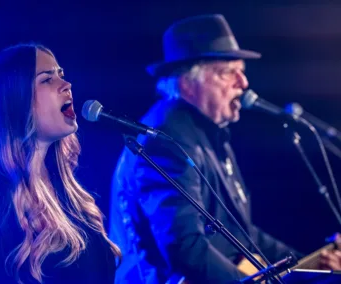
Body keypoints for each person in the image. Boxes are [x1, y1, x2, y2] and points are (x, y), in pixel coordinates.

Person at [109, 14, 341, 284]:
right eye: (228, 72)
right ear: (188, 82)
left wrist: (314, 266)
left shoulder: (209, 134)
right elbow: (184, 247)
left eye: (241, 72)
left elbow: (242, 235)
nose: (243, 84)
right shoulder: (166, 138)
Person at [0, 43, 121, 283]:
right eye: (47, 80)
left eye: (62, 75)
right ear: (15, 100)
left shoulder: (64, 189)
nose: (66, 86)